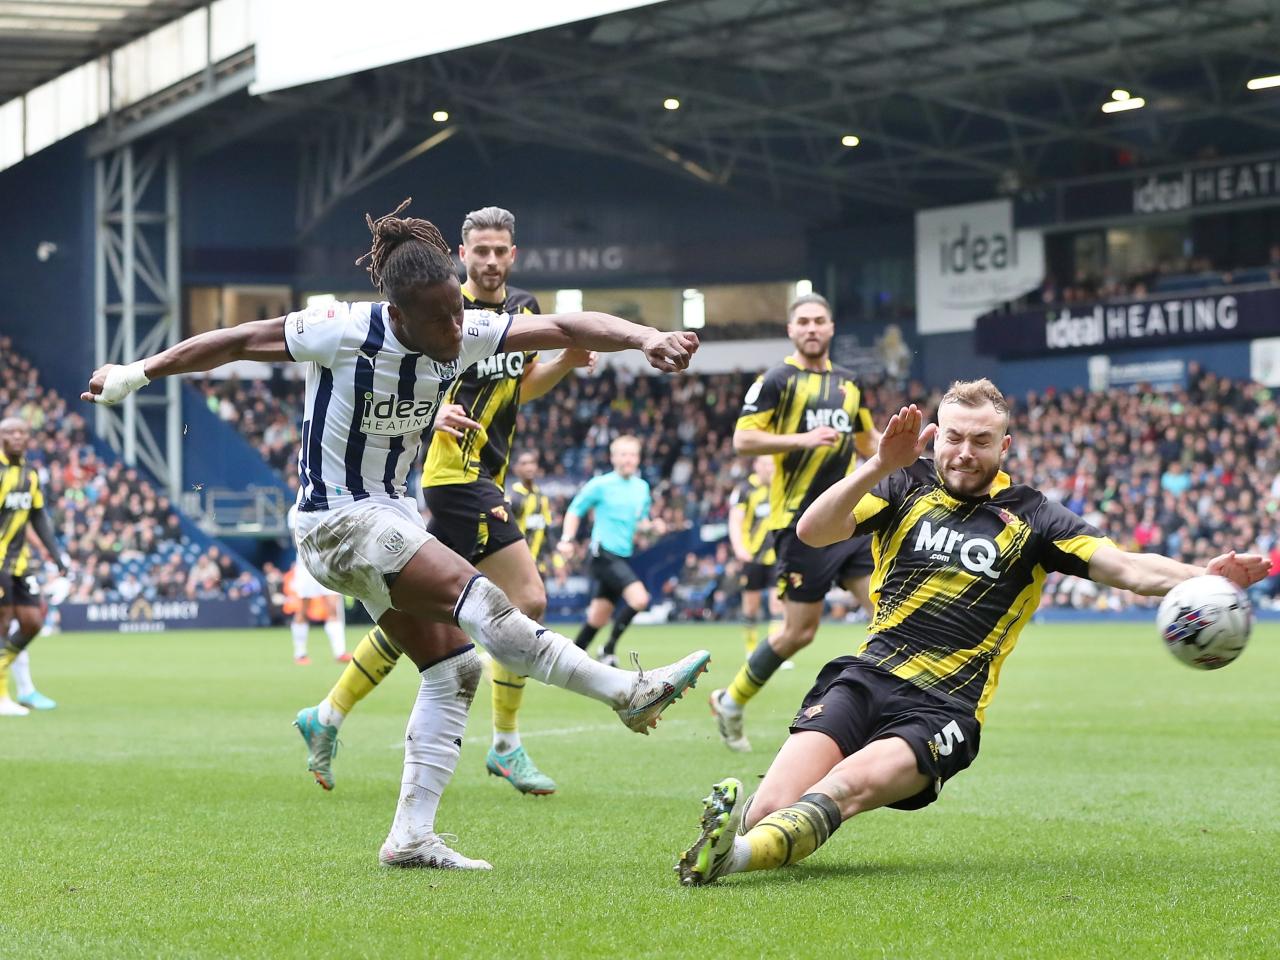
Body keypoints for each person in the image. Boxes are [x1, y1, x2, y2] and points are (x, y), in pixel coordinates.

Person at [84, 198, 711, 870]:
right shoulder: (339, 328)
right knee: (487, 601)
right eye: (440, 318)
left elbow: (561, 325)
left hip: (390, 517)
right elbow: (237, 340)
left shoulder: (467, 330)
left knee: (454, 667)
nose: (456, 327)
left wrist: (645, 338)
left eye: (458, 311)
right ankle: (625, 693)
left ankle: (410, 836)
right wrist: (136, 373)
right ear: (400, 314)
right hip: (337, 521)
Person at [676, 380, 1270, 886]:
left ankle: (730, 857)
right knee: (773, 805)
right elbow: (813, 531)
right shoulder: (901, 485)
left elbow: (1128, 567)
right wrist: (879, 463)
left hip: (942, 708)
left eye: (981, 441)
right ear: (935, 436)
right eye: (954, 438)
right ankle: (741, 836)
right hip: (865, 678)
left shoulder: (1036, 517)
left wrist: (1203, 577)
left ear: (1003, 445)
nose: (965, 453)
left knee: (842, 788)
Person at [293, 205, 590, 797]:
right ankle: (505, 744)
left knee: (421, 612)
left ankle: (327, 713)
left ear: (514, 254)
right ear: (462, 254)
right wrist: (433, 418)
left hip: (487, 470)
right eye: (480, 251)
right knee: (528, 597)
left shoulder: (523, 311)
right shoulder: (443, 309)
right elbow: (399, 384)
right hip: (452, 474)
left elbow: (519, 388)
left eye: (500, 250)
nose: (490, 260)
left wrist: (563, 363)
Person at [710, 293, 878, 752]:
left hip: (850, 519)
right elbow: (743, 440)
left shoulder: (850, 383)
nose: (811, 328)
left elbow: (867, 441)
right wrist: (803, 439)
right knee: (799, 632)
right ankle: (730, 701)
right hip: (800, 524)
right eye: (802, 321)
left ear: (831, 327)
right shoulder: (776, 380)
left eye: (819, 320)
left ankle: (880, 714)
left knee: (885, 613)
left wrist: (913, 454)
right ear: (791, 330)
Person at [560, 435, 663, 667]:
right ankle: (608, 649)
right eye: (623, 454)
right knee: (640, 599)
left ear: (639, 459)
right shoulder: (600, 485)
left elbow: (640, 524)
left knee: (598, 618)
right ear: (613, 458)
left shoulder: (642, 488)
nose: (628, 459)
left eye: (633, 455)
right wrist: (567, 539)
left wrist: (652, 527)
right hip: (602, 553)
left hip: (622, 555)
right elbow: (575, 510)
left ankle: (567, 661)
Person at [0, 417, 71, 716]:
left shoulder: (30, 473)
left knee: (32, 623)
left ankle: (14, 682)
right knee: (3, 624)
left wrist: (56, 555)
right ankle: (3, 695)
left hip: (20, 562)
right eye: (10, 432)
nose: (17, 436)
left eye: (22, 432)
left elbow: (38, 515)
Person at [286, 503, 351, 665]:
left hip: (328, 563)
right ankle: (300, 653)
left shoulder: (330, 504)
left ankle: (340, 652)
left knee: (333, 608)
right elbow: (296, 539)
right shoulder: (296, 509)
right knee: (302, 609)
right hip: (306, 564)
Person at [727, 454, 778, 656]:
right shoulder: (745, 489)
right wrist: (739, 548)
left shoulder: (780, 486)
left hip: (777, 556)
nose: (769, 468)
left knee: (778, 604)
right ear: (756, 465)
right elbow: (735, 521)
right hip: (752, 556)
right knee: (751, 606)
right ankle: (751, 650)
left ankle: (774, 653)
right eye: (765, 464)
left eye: (772, 464)